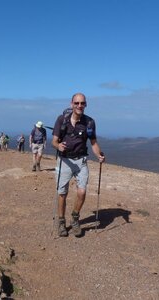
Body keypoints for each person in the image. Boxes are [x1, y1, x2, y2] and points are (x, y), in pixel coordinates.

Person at [52, 93, 105, 237]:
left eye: (82, 103)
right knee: (62, 193)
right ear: (71, 104)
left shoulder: (89, 122)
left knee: (81, 192)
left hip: (81, 160)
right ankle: (61, 222)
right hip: (64, 160)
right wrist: (58, 147)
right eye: (77, 103)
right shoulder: (61, 120)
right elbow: (54, 141)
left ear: (86, 104)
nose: (79, 106)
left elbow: (93, 142)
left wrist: (99, 154)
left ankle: (75, 218)